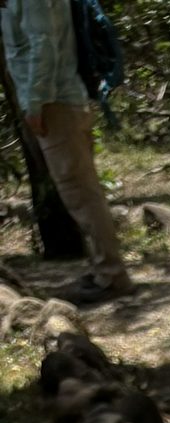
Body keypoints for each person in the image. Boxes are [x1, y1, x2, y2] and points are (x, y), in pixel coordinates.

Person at [2, 0, 131, 302]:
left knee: (80, 192)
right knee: (82, 191)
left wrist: (35, 103)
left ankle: (111, 276)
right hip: (61, 101)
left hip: (56, 104)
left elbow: (44, 46)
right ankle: (104, 271)